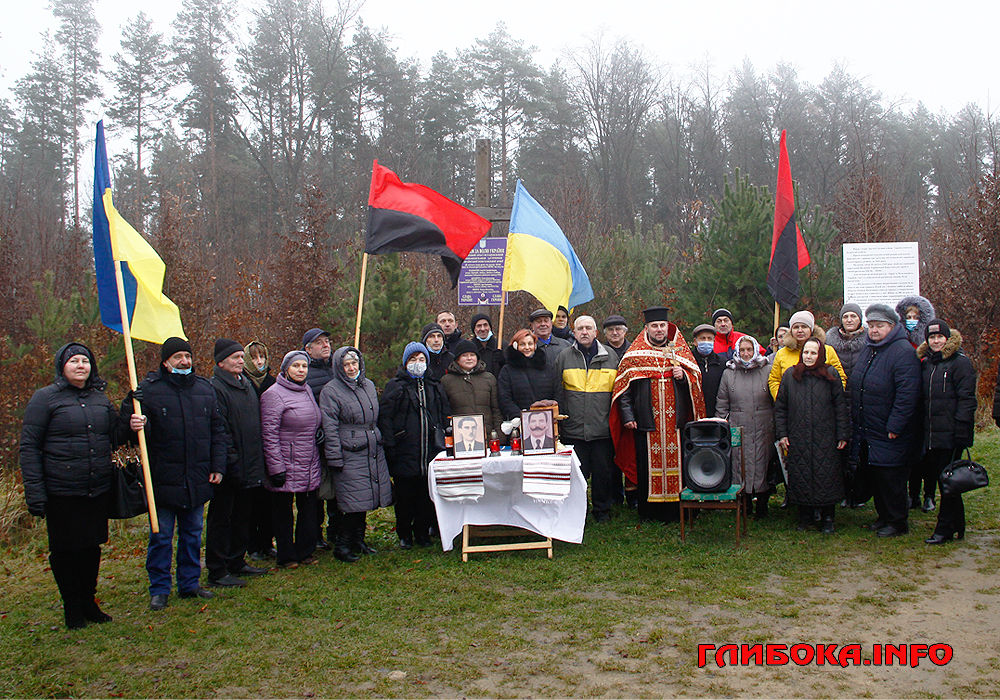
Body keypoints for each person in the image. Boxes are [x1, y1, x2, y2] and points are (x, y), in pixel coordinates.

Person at [20, 342, 137, 628]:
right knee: (65, 551)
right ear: (62, 366)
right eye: (74, 361)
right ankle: (71, 606)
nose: (80, 365)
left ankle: (88, 601)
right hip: (61, 491)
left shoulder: (99, 399)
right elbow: (29, 447)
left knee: (91, 548)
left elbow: (114, 436)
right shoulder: (45, 398)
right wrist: (35, 493)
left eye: (85, 361)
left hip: (96, 487)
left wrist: (128, 412)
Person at [121, 337, 228, 610]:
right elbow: (126, 432)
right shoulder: (147, 391)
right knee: (161, 537)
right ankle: (159, 588)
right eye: (178, 356)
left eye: (188, 356)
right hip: (163, 479)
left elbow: (217, 432)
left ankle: (189, 584)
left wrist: (217, 466)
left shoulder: (205, 389)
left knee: (193, 534)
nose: (185, 361)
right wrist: (131, 419)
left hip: (197, 476)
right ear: (166, 361)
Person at [611, 307, 705, 522]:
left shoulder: (679, 353)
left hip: (676, 423)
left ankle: (678, 511)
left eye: (662, 325)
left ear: (668, 327)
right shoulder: (634, 356)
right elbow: (623, 390)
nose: (659, 329)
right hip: (647, 423)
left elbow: (696, 381)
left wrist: (683, 378)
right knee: (646, 468)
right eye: (655, 326)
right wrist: (627, 416)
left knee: (680, 467)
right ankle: (649, 513)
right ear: (647, 329)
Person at [850, 304, 922, 538]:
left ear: (892, 326)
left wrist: (895, 426)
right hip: (869, 427)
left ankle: (898, 521)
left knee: (892, 478)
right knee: (878, 475)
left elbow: (907, 394)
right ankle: (884, 516)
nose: (874, 330)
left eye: (879, 326)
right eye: (871, 326)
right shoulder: (869, 348)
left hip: (890, 430)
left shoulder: (902, 351)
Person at [205, 339, 268, 588]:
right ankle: (217, 568)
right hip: (229, 467)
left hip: (250, 464)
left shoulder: (247, 385)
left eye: (242, 357)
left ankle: (237, 560)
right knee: (222, 519)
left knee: (242, 516)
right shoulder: (216, 388)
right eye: (235, 358)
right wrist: (230, 463)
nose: (241, 361)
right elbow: (220, 430)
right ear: (221, 362)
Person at [320, 347, 392, 563]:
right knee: (352, 501)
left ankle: (359, 540)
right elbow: (329, 426)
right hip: (349, 450)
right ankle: (342, 545)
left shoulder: (367, 385)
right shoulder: (331, 391)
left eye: (355, 363)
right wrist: (334, 456)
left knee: (365, 498)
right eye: (347, 365)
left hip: (371, 448)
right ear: (339, 368)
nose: (352, 368)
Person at [774, 337, 851, 534]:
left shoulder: (830, 374)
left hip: (825, 436)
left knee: (827, 476)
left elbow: (840, 407)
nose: (809, 356)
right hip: (798, 435)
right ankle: (805, 516)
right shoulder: (791, 375)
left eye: (813, 353)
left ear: (821, 355)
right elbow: (781, 407)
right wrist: (782, 434)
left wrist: (842, 434)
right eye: (806, 352)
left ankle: (827, 518)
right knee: (801, 476)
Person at [379, 342, 450, 549]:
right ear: (405, 363)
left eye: (421, 360)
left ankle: (422, 531)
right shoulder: (396, 386)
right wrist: (391, 445)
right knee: (405, 497)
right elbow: (386, 417)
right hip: (404, 450)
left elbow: (443, 413)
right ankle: (404, 533)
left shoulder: (434, 386)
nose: (417, 364)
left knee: (425, 496)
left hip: (430, 450)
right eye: (413, 360)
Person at [916, 320, 977, 543]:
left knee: (948, 482)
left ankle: (944, 528)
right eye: (932, 338)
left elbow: (967, 399)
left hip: (952, 434)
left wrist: (961, 429)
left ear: (947, 338)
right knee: (947, 481)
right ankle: (958, 523)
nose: (936, 341)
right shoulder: (926, 364)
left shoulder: (960, 364)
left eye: (940, 337)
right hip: (931, 433)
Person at [554, 316, 619, 522]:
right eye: (580, 328)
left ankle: (602, 511)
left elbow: (618, 392)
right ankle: (576, 512)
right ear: (574, 332)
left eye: (588, 328)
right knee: (576, 475)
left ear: (596, 332)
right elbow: (557, 391)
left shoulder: (611, 356)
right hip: (573, 428)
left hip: (602, 427)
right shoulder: (564, 356)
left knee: (603, 473)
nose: (584, 332)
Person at [260, 351, 322, 568]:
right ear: (286, 368)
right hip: (285, 461)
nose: (301, 370)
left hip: (308, 460)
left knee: (308, 510)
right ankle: (286, 555)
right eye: (296, 366)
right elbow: (269, 433)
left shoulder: (307, 391)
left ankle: (305, 550)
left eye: (304, 366)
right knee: (283, 512)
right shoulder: (273, 395)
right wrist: (276, 467)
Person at [716, 335, 775, 520]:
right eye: (742, 350)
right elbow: (722, 403)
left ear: (756, 350)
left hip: (764, 425)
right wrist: (721, 426)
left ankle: (763, 505)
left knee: (763, 463)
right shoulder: (729, 373)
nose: (746, 353)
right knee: (739, 464)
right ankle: (745, 503)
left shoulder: (767, 370)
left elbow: (776, 399)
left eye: (749, 349)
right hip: (737, 425)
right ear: (737, 351)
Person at [825, 303, 868, 506]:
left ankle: (859, 492)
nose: (849, 319)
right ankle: (841, 490)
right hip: (838, 402)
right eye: (846, 316)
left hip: (863, 402)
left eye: (853, 316)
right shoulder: (829, 343)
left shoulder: (869, 342)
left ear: (860, 319)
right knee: (840, 448)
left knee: (859, 449)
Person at [302, 327, 336, 551]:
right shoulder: (303, 372)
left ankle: (337, 530)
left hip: (337, 440)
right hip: (313, 442)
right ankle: (315, 533)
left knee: (337, 487)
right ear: (308, 348)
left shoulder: (337, 368)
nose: (326, 345)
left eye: (327, 341)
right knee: (316, 491)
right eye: (320, 342)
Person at [243, 340, 276, 561]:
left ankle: (267, 541)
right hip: (249, 449)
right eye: (255, 357)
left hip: (270, 448)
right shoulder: (243, 382)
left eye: (262, 357)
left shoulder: (273, 382)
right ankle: (251, 544)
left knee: (269, 501)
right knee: (250, 502)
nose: (259, 362)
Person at [768, 310, 847, 399]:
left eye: (804, 326)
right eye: (796, 327)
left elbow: (840, 378)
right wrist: (783, 399)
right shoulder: (782, 353)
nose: (800, 330)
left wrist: (831, 399)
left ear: (811, 329)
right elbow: (774, 380)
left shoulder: (827, 351)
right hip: (793, 407)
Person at [441, 340, 504, 445]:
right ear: (457, 359)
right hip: (460, 441)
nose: (469, 358)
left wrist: (499, 436)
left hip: (487, 438)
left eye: (472, 355)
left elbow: (496, 410)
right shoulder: (446, 381)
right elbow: (445, 412)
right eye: (464, 355)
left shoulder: (489, 378)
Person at [497, 329, 559, 420]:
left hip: (547, 421)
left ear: (535, 345)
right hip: (520, 422)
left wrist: (553, 413)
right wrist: (521, 417)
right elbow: (505, 399)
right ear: (515, 346)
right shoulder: (507, 371)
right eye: (522, 344)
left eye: (530, 344)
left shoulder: (548, 368)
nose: (527, 347)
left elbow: (558, 393)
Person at [691, 323, 726, 417]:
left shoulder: (722, 363)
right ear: (695, 341)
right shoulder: (688, 362)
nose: (706, 341)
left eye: (709, 339)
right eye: (703, 338)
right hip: (693, 415)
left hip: (717, 414)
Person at [470, 313, 505, 377]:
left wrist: (504, 360)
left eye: (485, 325)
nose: (483, 329)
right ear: (474, 329)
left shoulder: (502, 346)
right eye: (479, 326)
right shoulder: (469, 348)